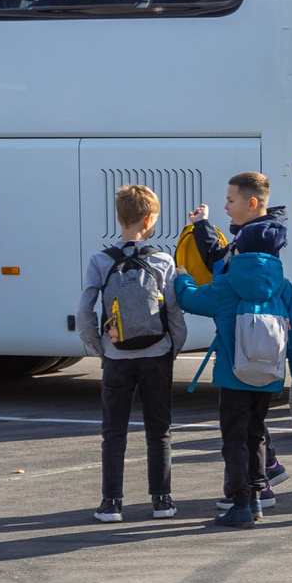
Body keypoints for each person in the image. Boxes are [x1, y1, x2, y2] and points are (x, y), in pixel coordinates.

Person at [173, 197, 292, 527]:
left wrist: (182, 278)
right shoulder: (283, 286)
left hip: (232, 374)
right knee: (256, 436)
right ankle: (256, 498)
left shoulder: (225, 285)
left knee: (234, 439)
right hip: (269, 376)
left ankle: (240, 504)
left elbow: (190, 299)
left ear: (240, 250)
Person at [79, 182, 186, 522]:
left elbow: (84, 313)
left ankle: (111, 503)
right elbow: (175, 315)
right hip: (157, 354)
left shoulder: (99, 261)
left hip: (117, 357)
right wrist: (171, 349)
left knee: (114, 432)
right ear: (149, 220)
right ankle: (163, 501)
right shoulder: (163, 260)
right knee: (159, 430)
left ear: (120, 217)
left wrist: (101, 348)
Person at [184, 172, 289, 494]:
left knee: (237, 431)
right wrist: (203, 225)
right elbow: (221, 258)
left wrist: (180, 279)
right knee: (253, 428)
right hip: (268, 359)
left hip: (236, 354)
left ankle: (243, 496)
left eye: (230, 200)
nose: (225, 207)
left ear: (252, 202)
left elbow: (216, 273)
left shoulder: (243, 255)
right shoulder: (269, 257)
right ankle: (264, 477)